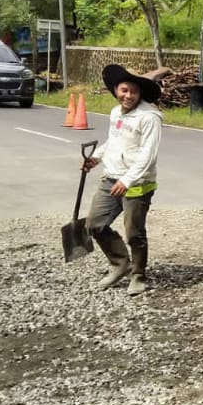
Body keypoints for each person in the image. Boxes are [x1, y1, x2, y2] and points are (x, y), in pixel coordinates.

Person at [82, 64, 164, 296]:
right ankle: (120, 264)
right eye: (124, 90)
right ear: (116, 89)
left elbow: (148, 155)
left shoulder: (149, 117)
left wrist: (128, 180)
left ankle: (138, 275)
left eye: (133, 92)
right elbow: (114, 141)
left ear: (140, 94)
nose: (128, 96)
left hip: (138, 183)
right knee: (94, 225)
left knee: (134, 233)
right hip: (111, 178)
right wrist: (96, 158)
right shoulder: (116, 112)